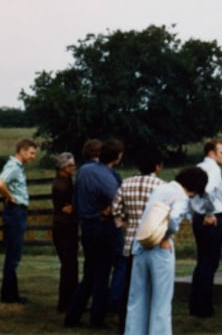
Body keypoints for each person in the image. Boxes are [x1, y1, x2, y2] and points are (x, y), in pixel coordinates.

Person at [125, 167, 208, 335]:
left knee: (137, 298)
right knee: (161, 301)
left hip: (141, 244)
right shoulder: (182, 197)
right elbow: (172, 219)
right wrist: (166, 235)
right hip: (160, 249)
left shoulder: (160, 188)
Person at [64, 139, 124, 329]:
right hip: (102, 226)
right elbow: (118, 200)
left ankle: (72, 315)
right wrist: (111, 210)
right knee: (103, 273)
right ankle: (98, 317)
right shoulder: (105, 175)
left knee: (90, 273)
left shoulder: (84, 171)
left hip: (87, 226)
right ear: (117, 157)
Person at [110, 147, 165, 331]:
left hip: (131, 241)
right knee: (154, 289)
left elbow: (116, 210)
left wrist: (128, 220)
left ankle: (126, 324)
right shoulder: (161, 186)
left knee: (130, 288)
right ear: (157, 167)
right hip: (154, 241)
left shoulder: (126, 184)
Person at [0, 138, 38, 304]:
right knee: (13, 255)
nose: (33, 156)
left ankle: (10, 293)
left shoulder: (17, 167)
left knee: (14, 254)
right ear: (22, 150)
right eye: (31, 153)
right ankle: (9, 295)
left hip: (17, 212)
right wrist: (10, 197)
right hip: (15, 212)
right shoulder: (13, 167)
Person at [189, 139, 222, 318]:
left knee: (202, 261)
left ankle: (196, 303)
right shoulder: (213, 169)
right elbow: (208, 190)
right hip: (210, 218)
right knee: (210, 262)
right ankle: (204, 307)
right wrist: (210, 213)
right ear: (212, 153)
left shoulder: (199, 167)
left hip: (198, 216)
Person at [52, 151, 79, 313]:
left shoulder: (66, 181)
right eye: (71, 165)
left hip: (65, 225)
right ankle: (66, 302)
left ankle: (70, 300)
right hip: (64, 227)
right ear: (63, 167)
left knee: (70, 264)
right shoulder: (62, 186)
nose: (73, 167)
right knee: (69, 265)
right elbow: (70, 208)